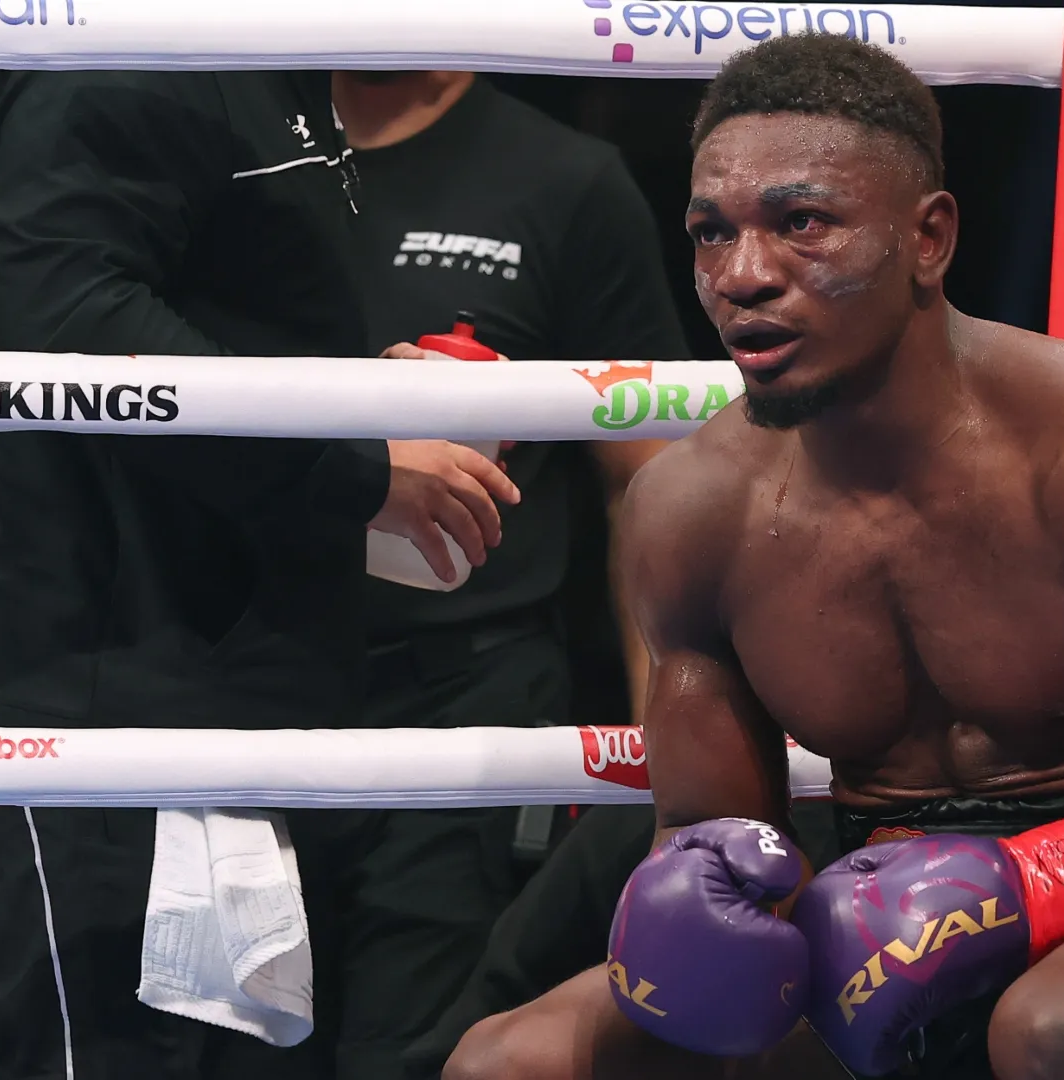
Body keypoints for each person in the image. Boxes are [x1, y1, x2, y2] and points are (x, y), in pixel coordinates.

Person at [444, 31, 1064, 1080]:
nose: (743, 277)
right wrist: (702, 912)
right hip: (880, 934)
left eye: (801, 223)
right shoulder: (692, 512)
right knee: (514, 1060)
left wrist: (1034, 883)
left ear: (928, 239)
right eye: (713, 234)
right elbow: (716, 833)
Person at [0, 69, 515, 1079]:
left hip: (218, 668)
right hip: (100, 678)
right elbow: (73, 324)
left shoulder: (261, 54)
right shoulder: (130, 48)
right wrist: (356, 465)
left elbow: (193, 297)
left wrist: (351, 401)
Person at [314, 68, 689, 1080]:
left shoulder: (562, 180)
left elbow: (644, 483)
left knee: (412, 1053)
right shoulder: (232, 151)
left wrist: (676, 778)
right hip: (243, 678)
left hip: (466, 705)